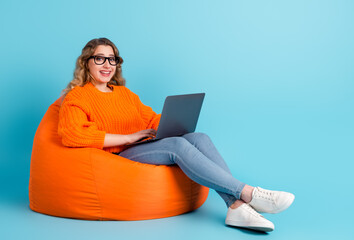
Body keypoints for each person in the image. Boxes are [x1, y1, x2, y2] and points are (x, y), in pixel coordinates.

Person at [58, 38, 295, 232]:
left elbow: (149, 118)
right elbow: (72, 135)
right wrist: (128, 138)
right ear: (86, 62)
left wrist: (172, 120)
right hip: (118, 156)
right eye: (100, 58)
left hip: (141, 145)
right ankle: (248, 193)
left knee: (199, 138)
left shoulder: (123, 94)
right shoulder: (77, 96)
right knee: (177, 147)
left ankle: (236, 207)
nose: (107, 65)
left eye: (112, 59)